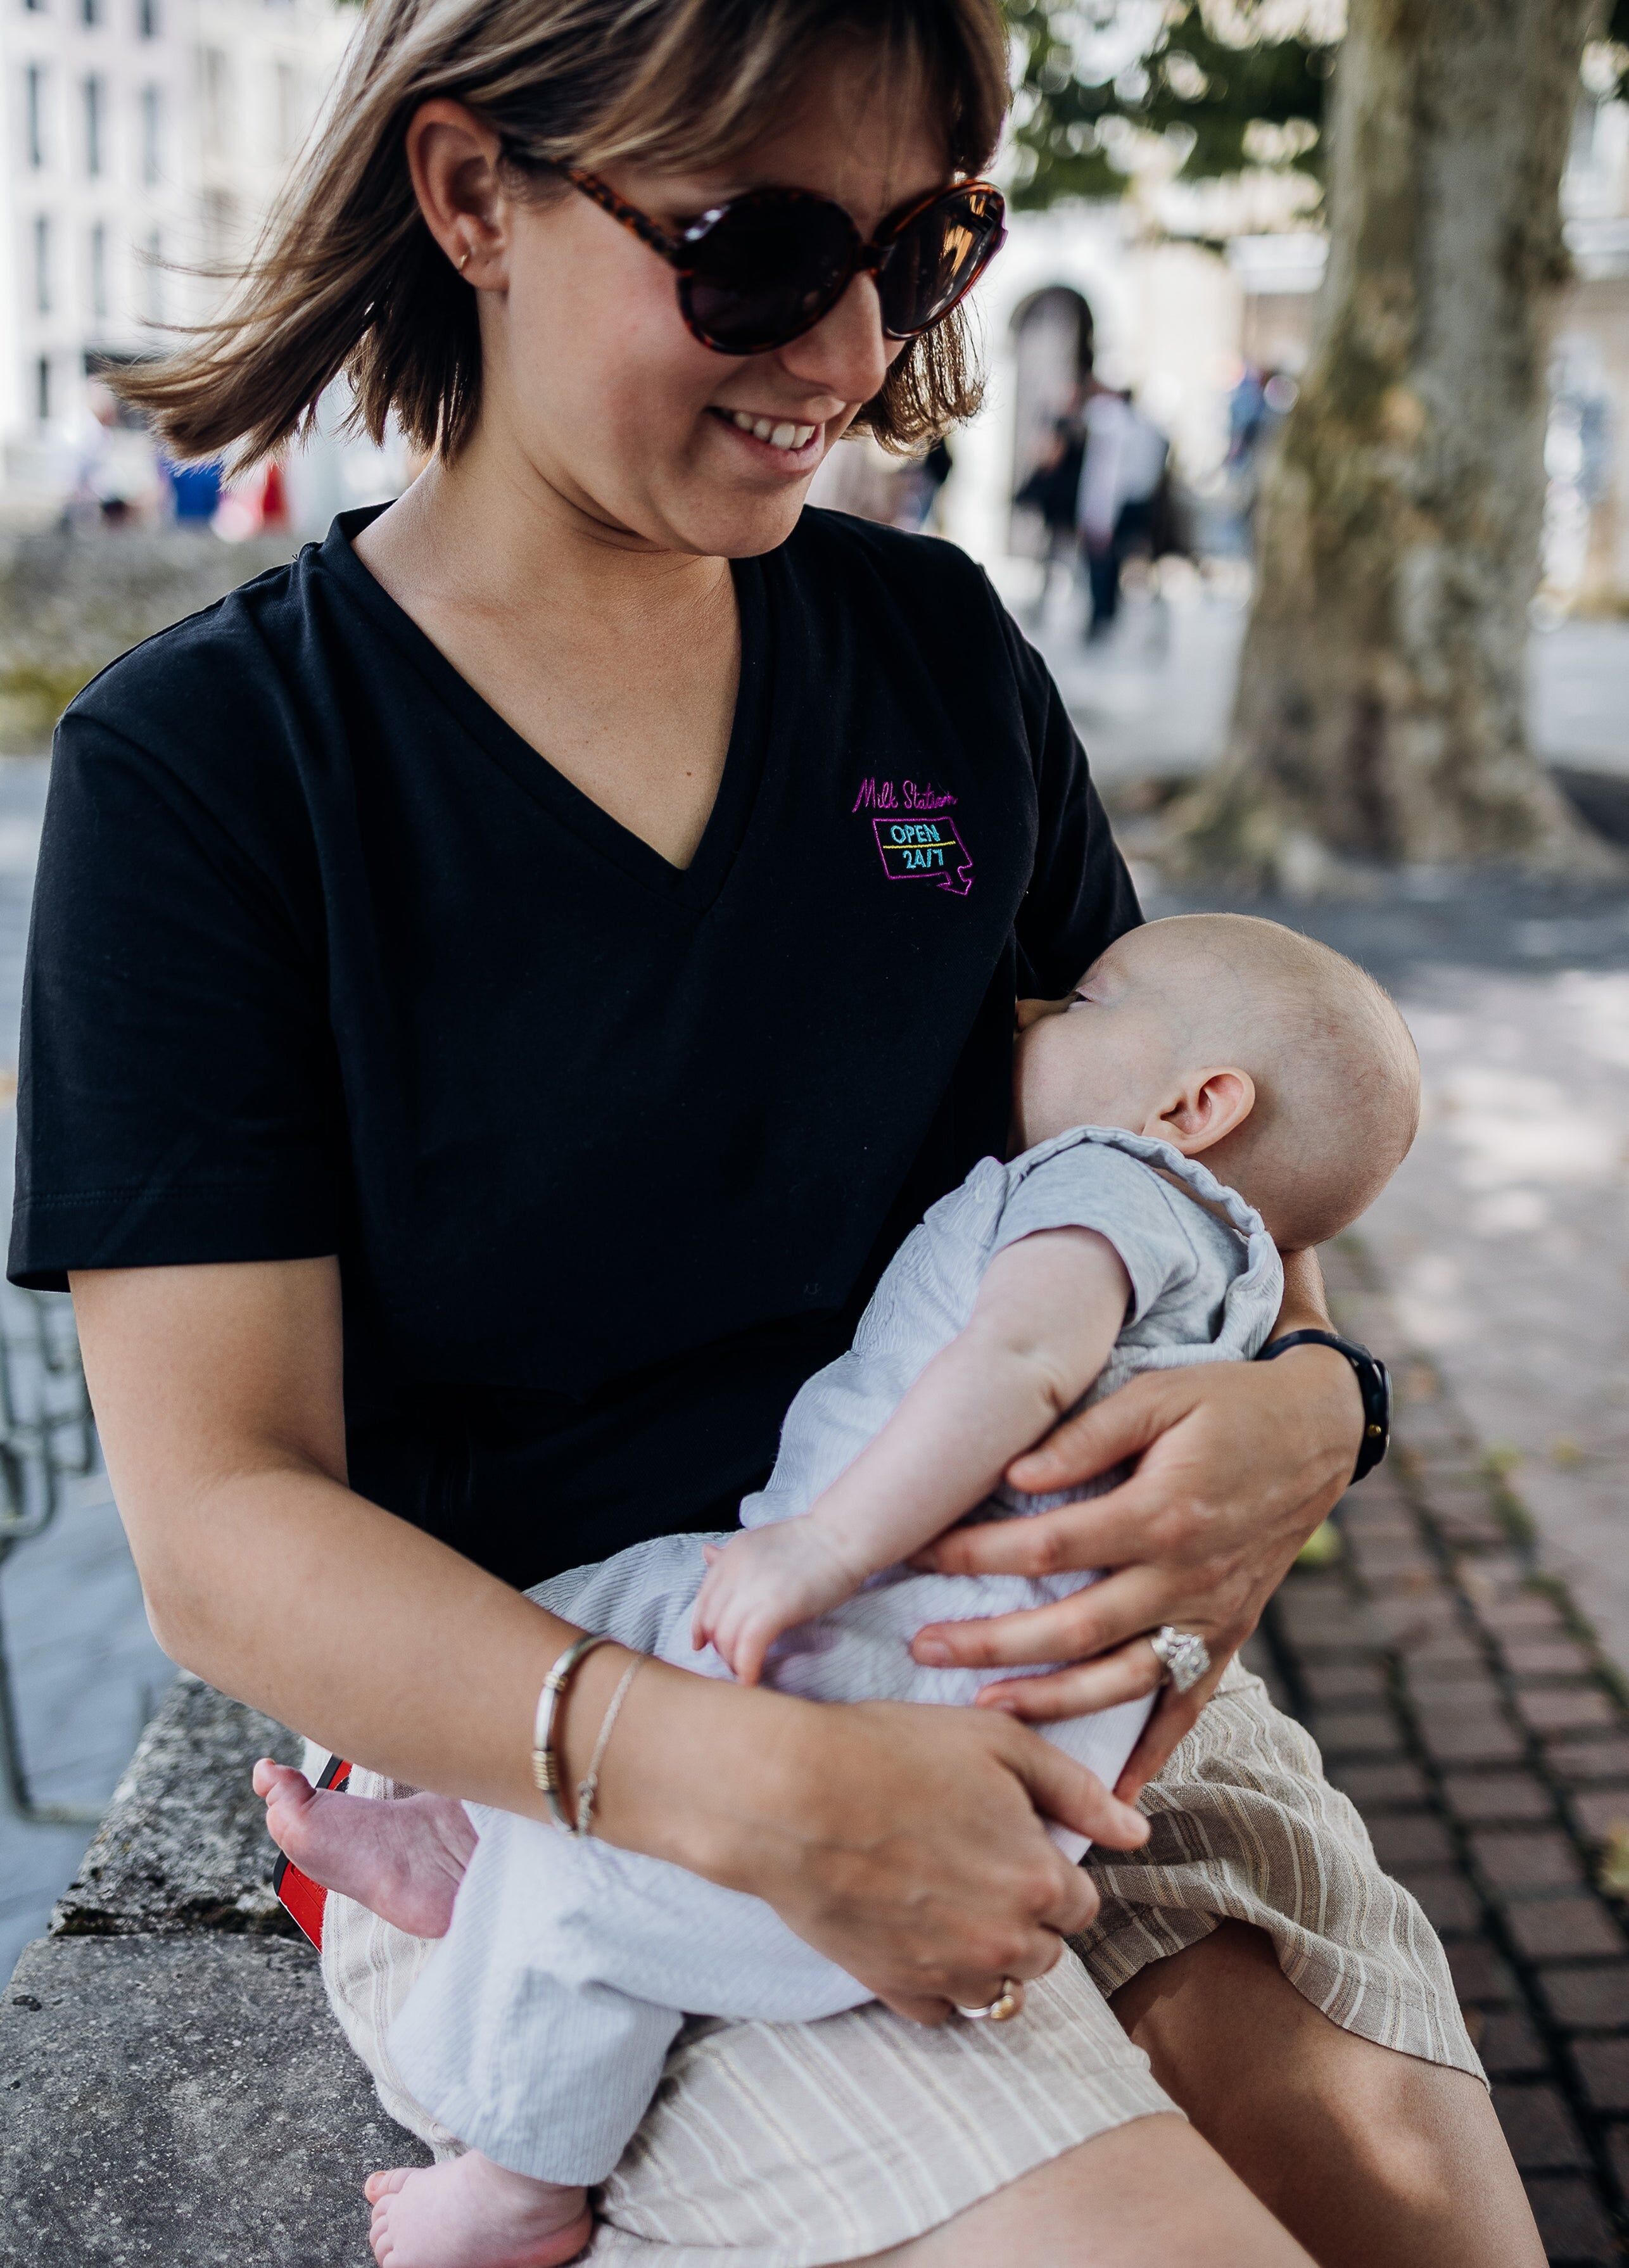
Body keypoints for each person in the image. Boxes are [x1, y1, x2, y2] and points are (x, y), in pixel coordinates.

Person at [12, 1, 1542, 2262]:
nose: (850, 342)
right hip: (586, 1821)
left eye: (922, 250)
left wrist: (1315, 1408)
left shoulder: (935, 650)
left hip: (1059, 1716)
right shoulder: (213, 776)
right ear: (472, 201)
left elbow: (1199, 1186)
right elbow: (221, 1518)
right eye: (752, 251)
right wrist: (745, 1781)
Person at [251, 912, 1423, 2268]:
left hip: (897, 1659)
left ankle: (519, 2182)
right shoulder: (1217, 1270)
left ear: (1197, 1104)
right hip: (889, 1621)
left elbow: (1011, 1369)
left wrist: (823, 1549)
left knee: (625, 1902)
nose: (1033, 1006)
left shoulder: (1111, 1187)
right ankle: (464, 1830)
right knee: (596, 1612)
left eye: (1084, 999)